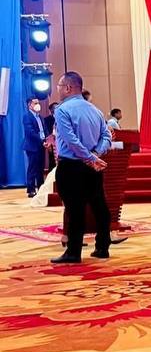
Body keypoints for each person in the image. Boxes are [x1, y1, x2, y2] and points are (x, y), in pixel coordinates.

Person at [50, 71, 112, 264]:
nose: (58, 90)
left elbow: (70, 140)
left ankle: (73, 252)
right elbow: (107, 136)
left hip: (71, 167)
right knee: (99, 206)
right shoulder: (95, 110)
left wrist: (88, 156)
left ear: (68, 88)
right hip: (92, 167)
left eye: (59, 86)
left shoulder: (62, 110)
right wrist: (95, 155)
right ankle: (102, 247)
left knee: (74, 209)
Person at [22, 98, 47, 197]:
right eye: (35, 103)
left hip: (41, 145)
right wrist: (41, 140)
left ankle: (41, 188)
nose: (38, 105)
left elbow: (44, 130)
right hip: (32, 146)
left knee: (40, 168)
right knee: (32, 168)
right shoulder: (27, 116)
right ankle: (31, 190)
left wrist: (47, 140)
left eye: (38, 103)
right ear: (30, 105)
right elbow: (30, 132)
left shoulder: (40, 117)